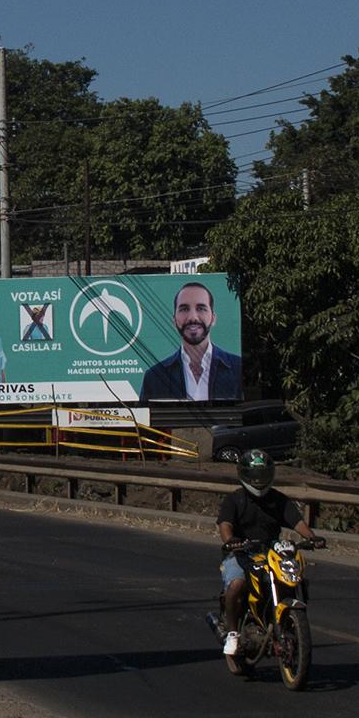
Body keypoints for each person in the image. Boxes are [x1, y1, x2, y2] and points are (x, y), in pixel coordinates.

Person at [215, 448, 320, 657]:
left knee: (293, 576)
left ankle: (282, 617)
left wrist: (311, 537)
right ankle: (233, 633)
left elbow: (296, 521)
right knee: (237, 584)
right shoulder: (235, 500)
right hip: (241, 552)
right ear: (244, 475)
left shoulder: (278, 500)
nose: (258, 480)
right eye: (254, 475)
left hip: (271, 551)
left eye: (262, 475)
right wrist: (231, 541)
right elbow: (225, 524)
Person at [138, 281, 241, 402]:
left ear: (213, 318)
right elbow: (145, 419)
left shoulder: (237, 368)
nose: (193, 317)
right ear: (174, 320)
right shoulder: (154, 376)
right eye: (184, 309)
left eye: (201, 308)